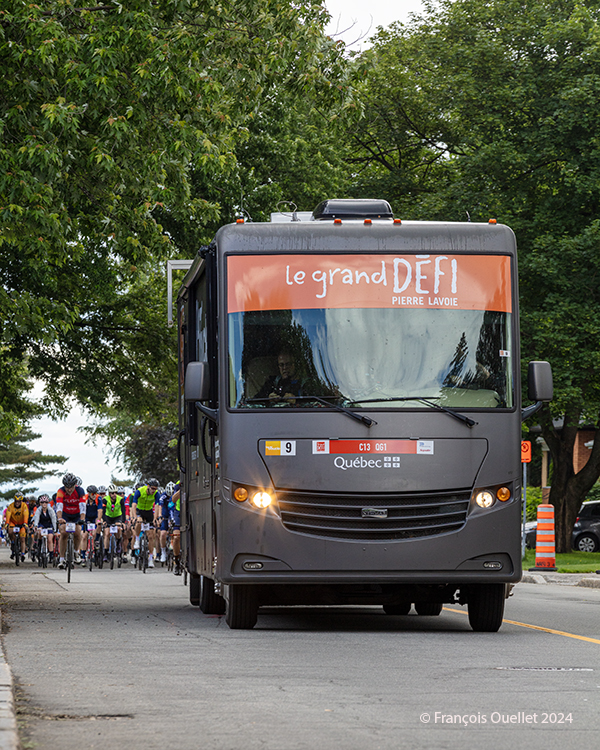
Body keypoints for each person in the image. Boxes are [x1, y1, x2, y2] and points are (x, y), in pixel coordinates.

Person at [55, 472, 86, 569]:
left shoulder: (80, 491)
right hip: (65, 515)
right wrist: (60, 518)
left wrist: (82, 519)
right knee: (64, 533)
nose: (69, 489)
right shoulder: (60, 491)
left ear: (74, 485)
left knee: (77, 533)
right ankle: (61, 559)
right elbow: (59, 506)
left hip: (76, 515)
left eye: (71, 487)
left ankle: (76, 552)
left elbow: (82, 506)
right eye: (67, 487)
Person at [131, 479, 160, 568]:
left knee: (151, 536)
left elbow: (157, 506)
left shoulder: (156, 494)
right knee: (139, 522)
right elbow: (133, 505)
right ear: (148, 486)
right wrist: (134, 517)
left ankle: (151, 558)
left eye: (155, 489)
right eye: (152, 488)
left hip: (148, 512)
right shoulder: (139, 491)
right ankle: (137, 539)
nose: (153, 490)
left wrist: (155, 519)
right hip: (139, 510)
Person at [32, 495, 57, 562]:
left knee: (50, 539)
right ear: (40, 503)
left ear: (47, 503)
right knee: (40, 533)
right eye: (42, 503)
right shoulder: (39, 510)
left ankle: (51, 555)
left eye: (45, 503)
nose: (44, 504)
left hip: (49, 525)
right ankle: (39, 546)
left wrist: (55, 529)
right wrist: (36, 526)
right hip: (41, 525)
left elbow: (54, 519)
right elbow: (36, 518)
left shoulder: (50, 510)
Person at [102, 484, 125, 560]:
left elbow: (123, 511)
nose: (114, 494)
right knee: (107, 533)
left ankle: (118, 543)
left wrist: (123, 522)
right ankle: (106, 552)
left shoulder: (120, 499)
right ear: (109, 494)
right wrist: (104, 521)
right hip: (108, 517)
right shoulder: (105, 499)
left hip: (117, 517)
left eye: (115, 492)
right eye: (112, 493)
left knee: (118, 529)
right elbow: (103, 511)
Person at [81, 485, 102, 564]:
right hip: (86, 518)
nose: (94, 495)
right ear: (88, 493)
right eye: (92, 494)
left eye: (95, 493)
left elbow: (100, 510)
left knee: (93, 533)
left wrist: (98, 519)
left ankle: (92, 550)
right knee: (84, 536)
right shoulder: (84, 499)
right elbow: (81, 510)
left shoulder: (98, 498)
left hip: (94, 518)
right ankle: (83, 556)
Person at [6, 492, 30, 562]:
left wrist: (25, 523)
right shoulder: (11, 506)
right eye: (16, 502)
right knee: (10, 531)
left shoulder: (24, 506)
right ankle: (13, 542)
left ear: (21, 501)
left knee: (22, 538)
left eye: (19, 502)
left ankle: (22, 554)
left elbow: (26, 514)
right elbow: (8, 514)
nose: (17, 503)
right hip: (13, 522)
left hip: (22, 523)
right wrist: (7, 523)